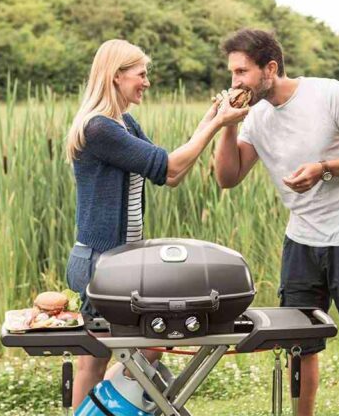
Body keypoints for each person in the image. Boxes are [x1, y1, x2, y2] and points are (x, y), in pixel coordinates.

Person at [213, 28, 339, 416]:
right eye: (232, 73)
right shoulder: (256, 117)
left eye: (242, 72)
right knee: (299, 342)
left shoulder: (329, 94)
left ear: (270, 68)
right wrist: (227, 124)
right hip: (301, 242)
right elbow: (228, 177)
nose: (235, 82)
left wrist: (325, 169)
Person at [64, 39, 248, 406]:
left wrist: (211, 118)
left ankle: (104, 408)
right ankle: (105, 408)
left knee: (107, 354)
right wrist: (216, 126)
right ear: (116, 76)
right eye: (141, 74)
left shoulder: (125, 123)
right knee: (121, 352)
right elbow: (170, 166)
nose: (146, 82)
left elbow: (171, 173)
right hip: (101, 262)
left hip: (120, 263)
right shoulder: (99, 129)